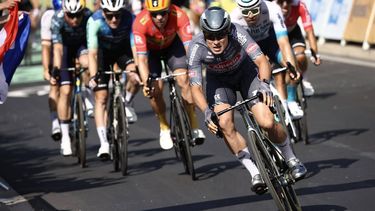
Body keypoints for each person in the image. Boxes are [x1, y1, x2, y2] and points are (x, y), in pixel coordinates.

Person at [188, 7, 307, 193]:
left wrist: (265, 85)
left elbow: (261, 61)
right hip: (220, 83)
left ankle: (291, 158)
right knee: (225, 122)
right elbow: (194, 87)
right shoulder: (196, 47)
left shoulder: (237, 31)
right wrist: (206, 112)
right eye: (210, 36)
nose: (216, 41)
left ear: (227, 31)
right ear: (204, 34)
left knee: (266, 122)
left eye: (220, 35)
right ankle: (254, 171)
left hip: (247, 75)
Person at [132, 0, 206, 150]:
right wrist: (147, 82)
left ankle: (194, 124)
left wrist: (194, 72)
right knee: (155, 89)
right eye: (155, 14)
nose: (159, 17)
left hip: (173, 47)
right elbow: (142, 59)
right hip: (151, 53)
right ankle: (164, 126)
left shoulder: (179, 15)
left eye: (163, 13)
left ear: (169, 9)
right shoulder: (140, 22)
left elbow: (189, 49)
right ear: (148, 13)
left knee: (184, 79)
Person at [230, 0, 304, 120]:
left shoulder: (273, 9)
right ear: (240, 9)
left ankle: (291, 100)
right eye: (245, 12)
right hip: (250, 49)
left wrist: (292, 67)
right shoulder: (233, 19)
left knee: (290, 63)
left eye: (254, 10)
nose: (250, 15)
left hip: (271, 43)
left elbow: (284, 42)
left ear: (260, 6)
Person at [87, 0, 140, 158]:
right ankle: (104, 144)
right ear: (103, 13)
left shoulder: (130, 18)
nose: (114, 20)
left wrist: (137, 68)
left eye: (117, 15)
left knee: (136, 77)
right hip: (103, 56)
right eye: (110, 16)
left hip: (122, 53)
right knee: (101, 96)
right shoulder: (94, 21)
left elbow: (135, 49)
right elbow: (92, 53)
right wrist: (93, 75)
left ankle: (127, 103)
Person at [50, 0, 92, 156]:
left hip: (82, 46)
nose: (74, 19)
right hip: (65, 49)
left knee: (88, 63)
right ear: (65, 13)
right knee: (66, 90)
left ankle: (88, 96)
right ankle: (65, 138)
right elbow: (58, 48)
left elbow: (92, 44)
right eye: (71, 15)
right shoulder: (57, 19)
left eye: (78, 15)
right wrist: (55, 68)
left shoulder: (89, 15)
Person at [275, 0, 321, 96]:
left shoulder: (300, 6)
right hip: (277, 35)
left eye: (288, 2)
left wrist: (315, 53)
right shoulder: (271, 6)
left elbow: (309, 31)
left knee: (300, 56)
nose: (285, 5)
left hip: (293, 33)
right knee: (282, 65)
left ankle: (304, 79)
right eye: (281, 2)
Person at [40, 0, 62, 141]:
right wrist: (46, 68)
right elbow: (46, 46)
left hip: (71, 48)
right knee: (54, 84)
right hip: (55, 50)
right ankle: (55, 120)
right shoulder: (48, 16)